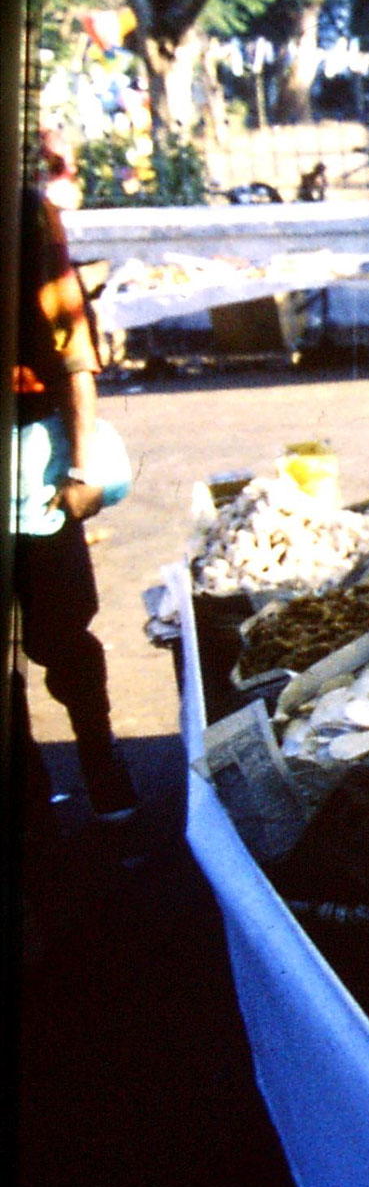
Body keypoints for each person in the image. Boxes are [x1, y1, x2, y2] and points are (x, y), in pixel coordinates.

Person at [13, 187, 137, 822]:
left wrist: (82, 464)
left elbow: (70, 348)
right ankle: (26, 790)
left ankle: (101, 760)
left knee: (62, 636)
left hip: (28, 463)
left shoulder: (22, 208)